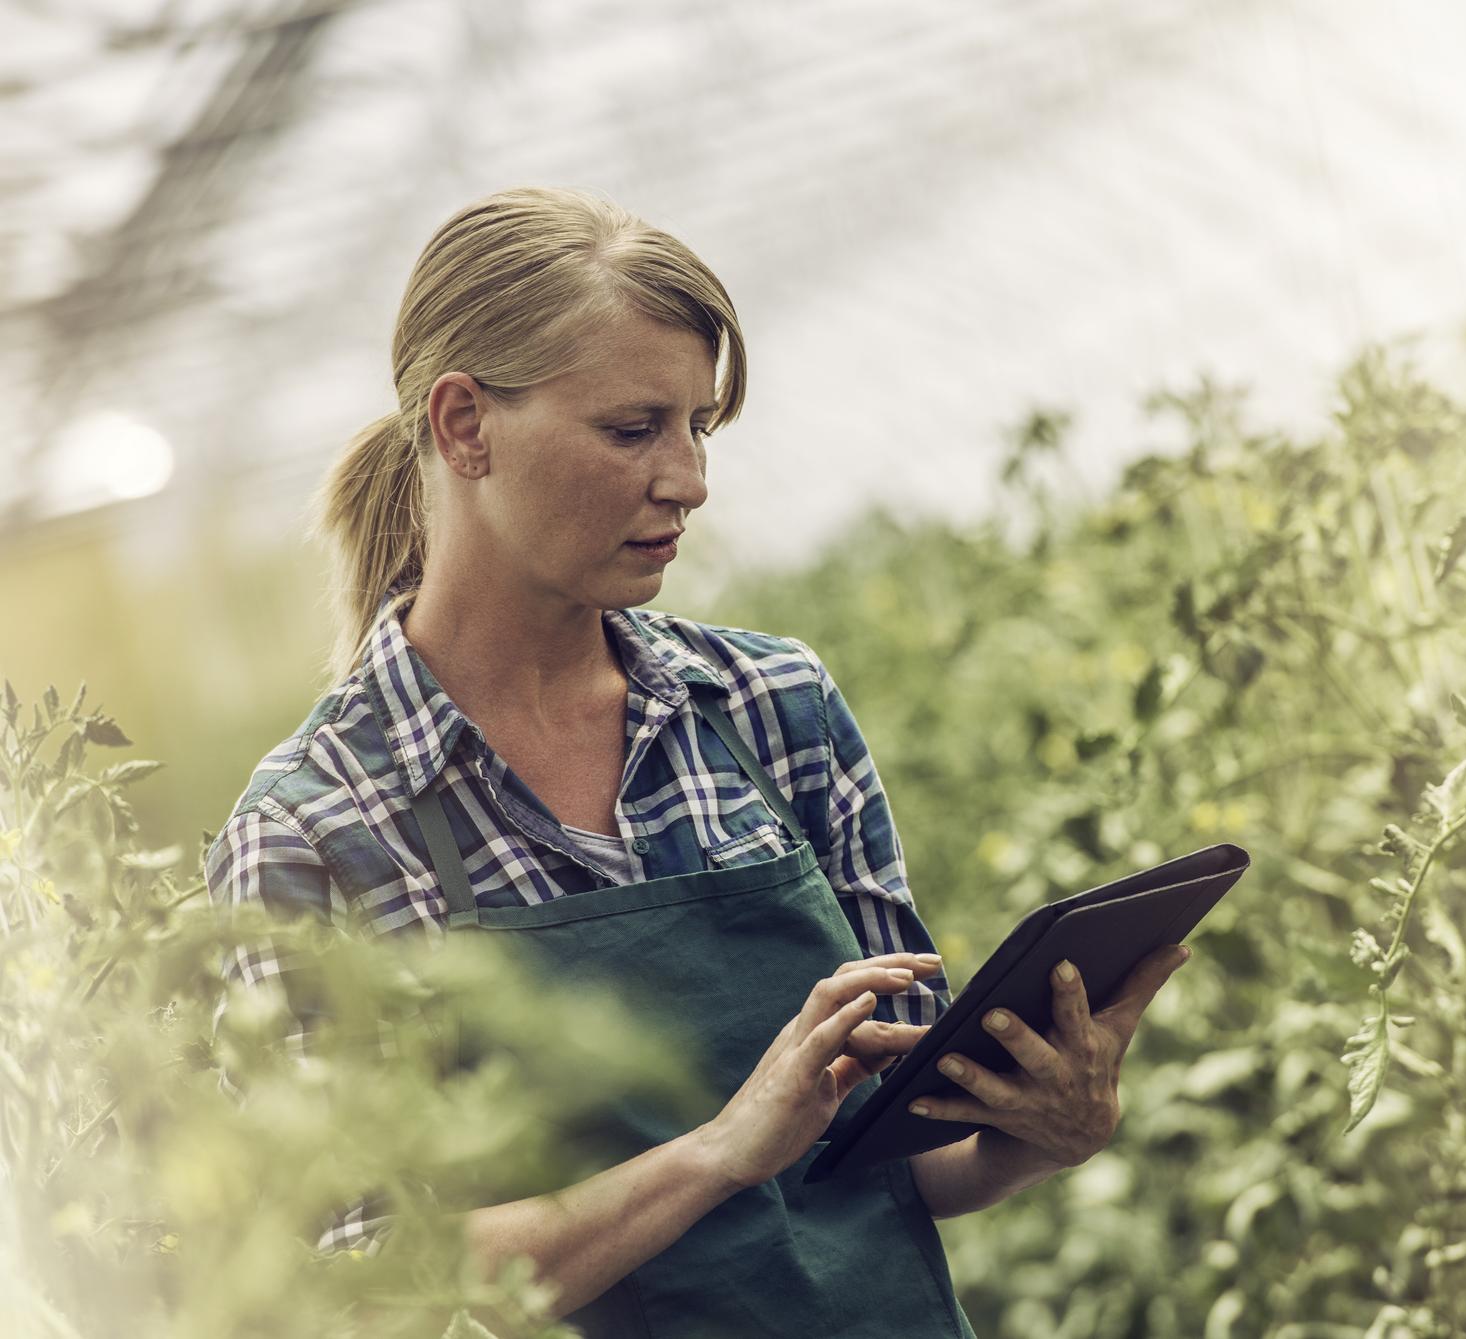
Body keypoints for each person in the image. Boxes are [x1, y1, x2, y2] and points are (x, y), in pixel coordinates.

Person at [203, 185, 1190, 1338]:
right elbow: (362, 1289)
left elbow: (901, 1158)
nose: (687, 479)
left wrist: (1033, 1133)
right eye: (632, 430)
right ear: (464, 425)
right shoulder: (316, 830)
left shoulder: (772, 708)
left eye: (697, 428)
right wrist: (721, 1151)